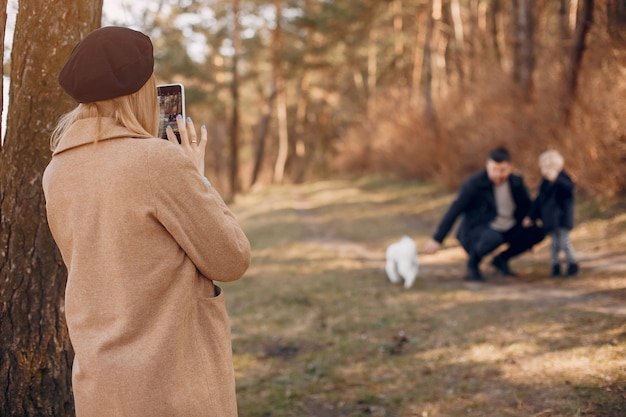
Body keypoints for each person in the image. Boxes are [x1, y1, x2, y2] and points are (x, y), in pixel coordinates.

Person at [42, 27, 251, 417]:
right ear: (140, 90)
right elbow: (232, 259)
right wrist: (197, 176)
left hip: (100, 385)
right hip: (171, 386)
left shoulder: (57, 169)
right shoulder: (158, 161)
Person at [422, 147, 545, 281]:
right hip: (479, 231)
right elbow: (454, 210)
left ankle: (501, 260)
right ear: (487, 167)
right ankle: (473, 264)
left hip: (509, 227)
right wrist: (437, 239)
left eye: (502, 170)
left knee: (538, 232)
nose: (498, 175)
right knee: (492, 237)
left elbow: (528, 207)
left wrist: (543, 219)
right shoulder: (474, 184)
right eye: (494, 170)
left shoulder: (517, 183)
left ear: (510, 168)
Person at [523, 150, 578, 277]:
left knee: (564, 243)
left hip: (563, 220)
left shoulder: (564, 179)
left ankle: (572, 264)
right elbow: (538, 201)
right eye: (543, 168)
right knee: (554, 245)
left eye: (549, 168)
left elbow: (569, 189)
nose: (546, 171)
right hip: (550, 221)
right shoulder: (544, 184)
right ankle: (555, 266)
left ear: (558, 167)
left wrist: (557, 179)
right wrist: (530, 216)